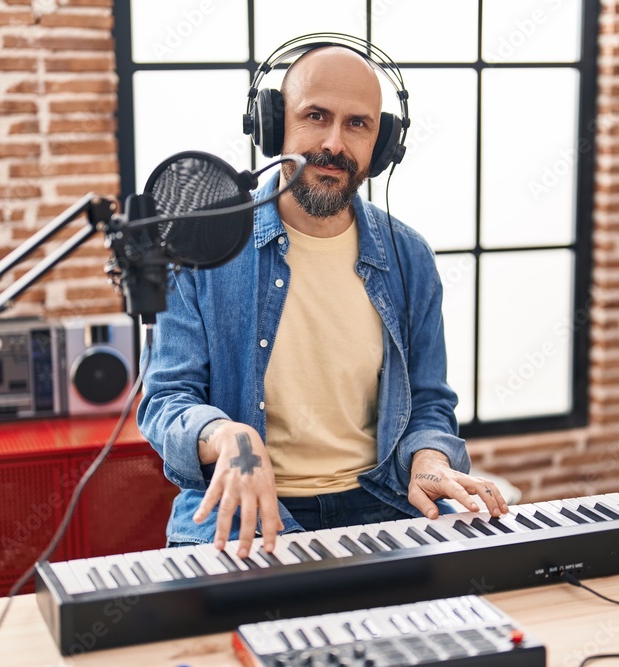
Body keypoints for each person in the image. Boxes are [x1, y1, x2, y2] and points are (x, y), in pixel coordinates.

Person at [138, 41, 509, 561]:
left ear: (382, 146)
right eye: (316, 116)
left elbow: (428, 402)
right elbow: (164, 400)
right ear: (273, 125)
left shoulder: (409, 256)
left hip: (382, 508)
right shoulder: (201, 244)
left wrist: (430, 458)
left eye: (358, 124)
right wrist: (225, 436)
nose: (334, 143)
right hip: (250, 515)